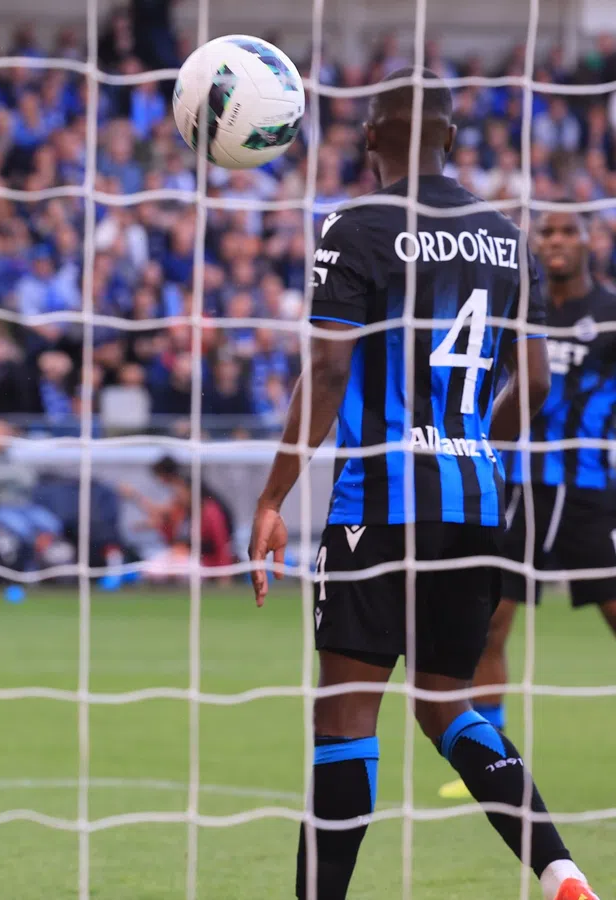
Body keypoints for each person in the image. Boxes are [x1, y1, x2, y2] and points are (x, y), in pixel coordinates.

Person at [248, 70, 599, 900]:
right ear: (450, 141)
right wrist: (469, 444)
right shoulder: (510, 238)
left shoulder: (357, 225)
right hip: (476, 504)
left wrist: (272, 498)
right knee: (446, 707)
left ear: (370, 142)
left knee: (344, 718)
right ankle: (561, 874)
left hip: (379, 501)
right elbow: (539, 384)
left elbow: (329, 368)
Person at [436, 211, 616, 799]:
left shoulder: (611, 316)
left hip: (587, 492)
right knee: (491, 622)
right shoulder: (515, 307)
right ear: (532, 243)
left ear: (589, 240)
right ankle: (492, 762)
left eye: (568, 231)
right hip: (513, 487)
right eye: (547, 232)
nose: (556, 241)